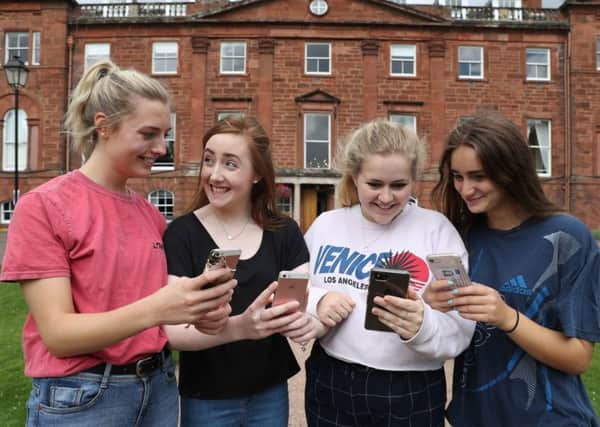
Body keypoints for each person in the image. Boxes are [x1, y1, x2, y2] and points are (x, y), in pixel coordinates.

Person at [0, 60, 236, 426]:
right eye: (148, 134)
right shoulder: (43, 207)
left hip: (158, 386)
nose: (161, 148)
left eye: (165, 135)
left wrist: (197, 311)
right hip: (82, 395)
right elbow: (59, 334)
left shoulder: (151, 215)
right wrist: (159, 308)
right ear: (103, 126)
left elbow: (159, 320)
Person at [424, 112, 600, 426]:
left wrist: (508, 317)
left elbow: (579, 357)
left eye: (479, 176)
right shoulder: (459, 237)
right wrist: (430, 306)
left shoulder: (567, 237)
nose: (466, 189)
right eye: (457, 176)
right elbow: (452, 340)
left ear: (511, 171)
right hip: (473, 418)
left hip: (551, 419)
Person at [300, 119, 475, 427]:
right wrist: (319, 300)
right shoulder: (327, 225)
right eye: (374, 184)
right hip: (331, 378)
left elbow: (461, 325)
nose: (386, 197)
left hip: (410, 387)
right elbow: (294, 288)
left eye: (398, 185)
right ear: (355, 177)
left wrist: (421, 324)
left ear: (413, 180)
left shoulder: (436, 230)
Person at [162, 115, 314, 427]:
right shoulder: (182, 234)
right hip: (207, 396)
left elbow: (302, 303)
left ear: (257, 173)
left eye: (230, 164)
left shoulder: (284, 232)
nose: (214, 175)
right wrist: (241, 326)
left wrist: (298, 320)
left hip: (270, 391)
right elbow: (172, 332)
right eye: (208, 160)